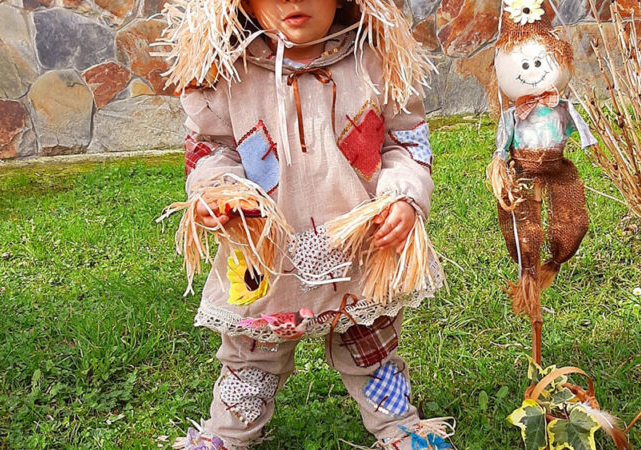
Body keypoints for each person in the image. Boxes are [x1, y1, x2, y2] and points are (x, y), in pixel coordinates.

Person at [157, 0, 453, 448]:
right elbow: (212, 149)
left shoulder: (373, 57)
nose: (292, 3)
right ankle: (229, 432)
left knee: (371, 349)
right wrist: (218, 192)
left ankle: (399, 427)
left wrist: (405, 196)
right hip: (265, 256)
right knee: (251, 358)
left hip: (359, 252)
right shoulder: (227, 72)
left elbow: (405, 138)